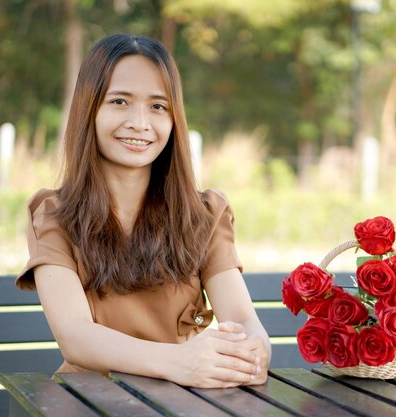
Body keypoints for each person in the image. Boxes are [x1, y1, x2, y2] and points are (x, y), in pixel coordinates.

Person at [16, 33, 271, 388]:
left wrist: (254, 352)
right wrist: (179, 361)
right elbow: (75, 337)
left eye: (158, 106)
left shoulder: (205, 214)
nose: (140, 122)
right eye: (120, 101)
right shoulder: (54, 215)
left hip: (184, 402)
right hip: (88, 402)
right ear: (89, 109)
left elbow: (243, 319)